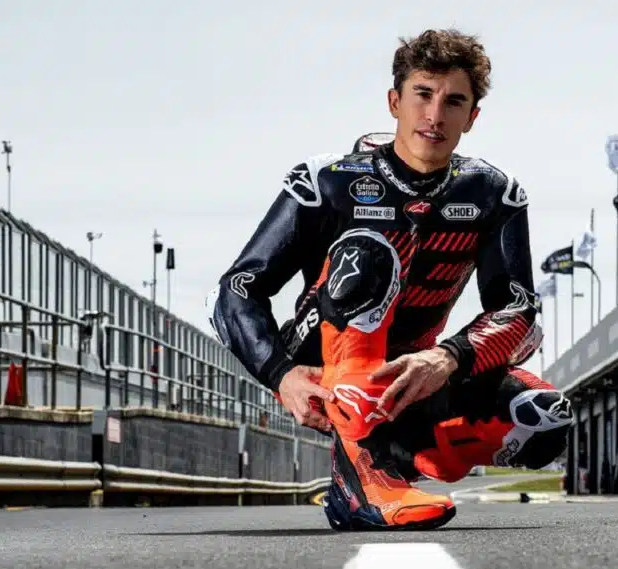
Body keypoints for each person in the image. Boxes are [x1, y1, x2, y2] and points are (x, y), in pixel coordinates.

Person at [207, 28, 574, 531]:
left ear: (472, 117)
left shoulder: (494, 192)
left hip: (414, 369)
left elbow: (520, 314)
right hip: (321, 361)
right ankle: (360, 482)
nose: (434, 114)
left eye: (453, 101)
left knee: (543, 416)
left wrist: (446, 358)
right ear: (394, 102)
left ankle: (401, 455)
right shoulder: (325, 180)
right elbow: (234, 291)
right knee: (371, 253)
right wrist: (281, 374)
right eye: (422, 94)